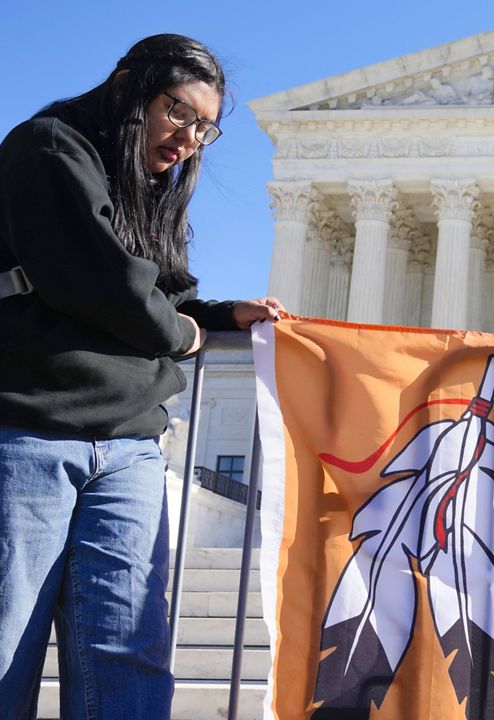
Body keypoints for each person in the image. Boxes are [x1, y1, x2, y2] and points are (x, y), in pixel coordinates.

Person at [0, 35, 281, 719]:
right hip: (30, 432)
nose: (190, 137)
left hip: (127, 449)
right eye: (177, 111)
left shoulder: (150, 188)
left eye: (205, 127)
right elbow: (101, 282)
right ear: (130, 86)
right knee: (7, 649)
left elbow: (163, 292)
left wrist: (217, 315)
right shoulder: (48, 149)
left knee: (129, 659)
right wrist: (183, 335)